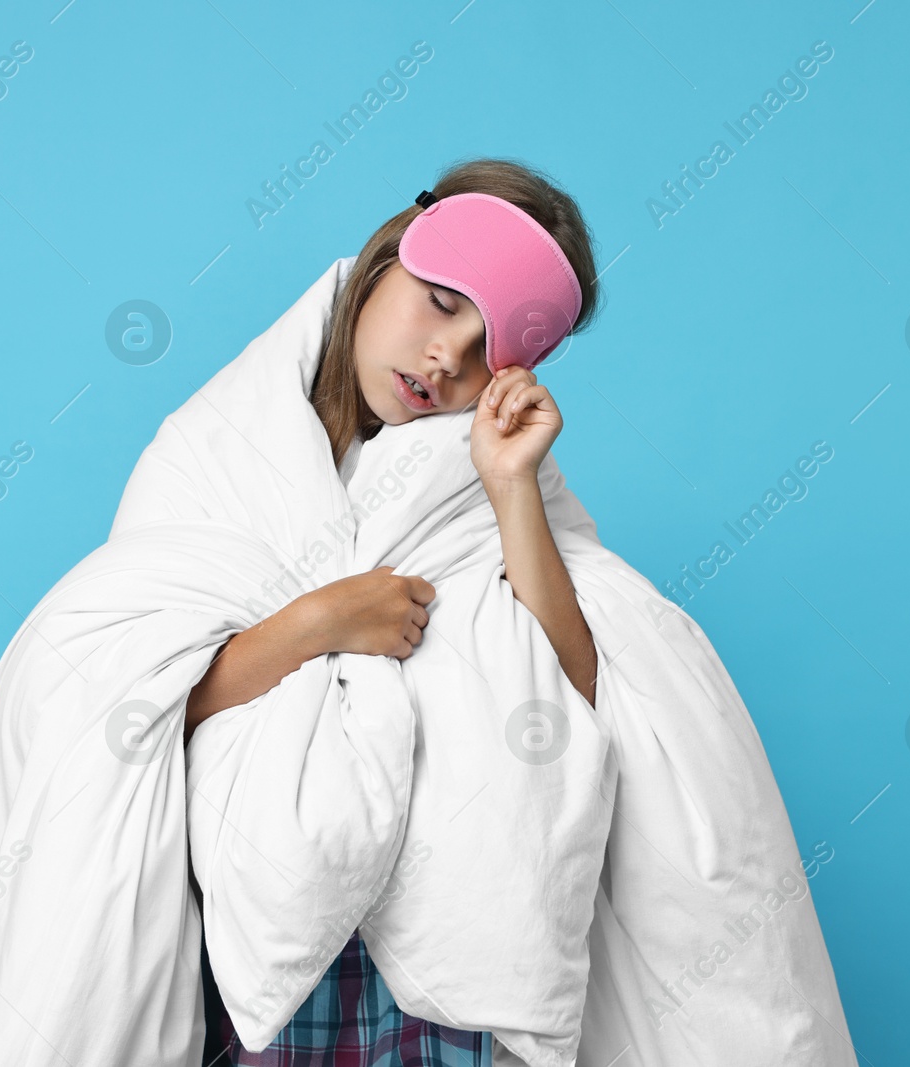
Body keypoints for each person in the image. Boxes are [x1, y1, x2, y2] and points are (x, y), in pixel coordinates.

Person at [189, 156, 600, 1066]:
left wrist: (510, 487)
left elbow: (573, 687)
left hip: (433, 950)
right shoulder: (229, 451)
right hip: (272, 930)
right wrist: (323, 621)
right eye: (444, 301)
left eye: (489, 347)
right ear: (385, 261)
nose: (446, 357)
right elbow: (154, 697)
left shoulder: (496, 473)